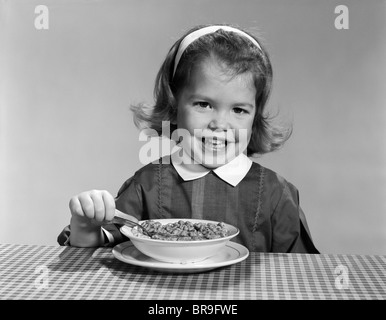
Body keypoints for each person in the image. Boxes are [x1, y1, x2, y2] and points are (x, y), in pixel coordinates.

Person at [58, 24, 319, 253]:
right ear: (173, 107)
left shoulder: (276, 194)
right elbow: (99, 251)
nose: (219, 124)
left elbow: (301, 274)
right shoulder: (147, 185)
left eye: (239, 110)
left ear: (255, 118)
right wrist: (85, 225)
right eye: (204, 104)